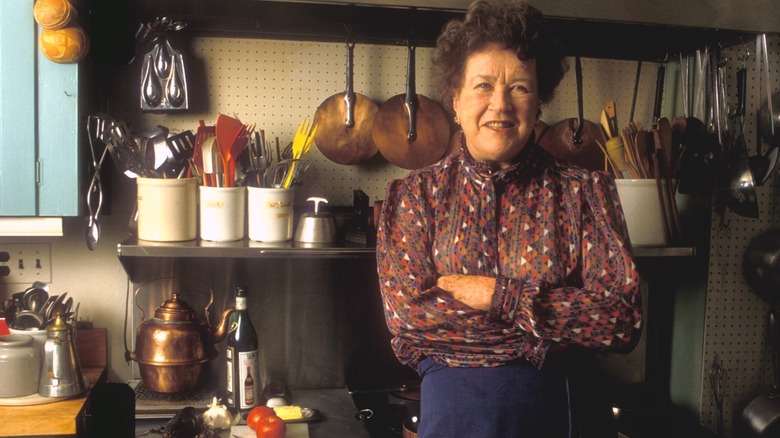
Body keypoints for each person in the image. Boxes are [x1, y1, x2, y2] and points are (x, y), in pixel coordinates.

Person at [375, 1, 643, 437]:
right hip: (454, 419)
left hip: (566, 417)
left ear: (539, 102)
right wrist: (548, 334)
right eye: (482, 85)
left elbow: (620, 320)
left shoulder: (585, 192)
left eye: (519, 87)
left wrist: (501, 296)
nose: (500, 105)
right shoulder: (412, 197)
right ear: (456, 100)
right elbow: (409, 320)